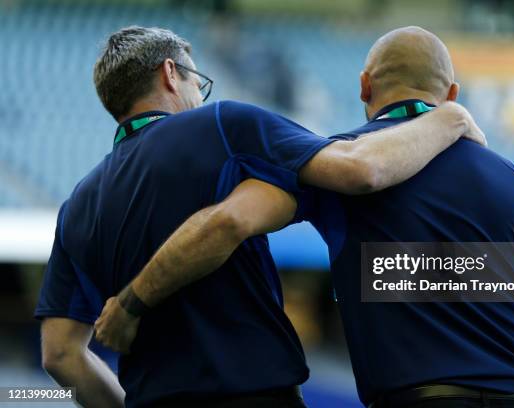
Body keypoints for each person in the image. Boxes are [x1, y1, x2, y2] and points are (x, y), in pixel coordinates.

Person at [95, 26, 514, 408]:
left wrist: (131, 303)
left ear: (364, 87)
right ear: (451, 95)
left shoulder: (326, 166)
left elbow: (226, 223)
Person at [35, 26, 485, 408]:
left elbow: (59, 355)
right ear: (171, 73)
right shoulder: (218, 126)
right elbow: (359, 169)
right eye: (198, 81)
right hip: (254, 391)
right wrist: (450, 119)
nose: (200, 94)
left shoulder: (78, 204)